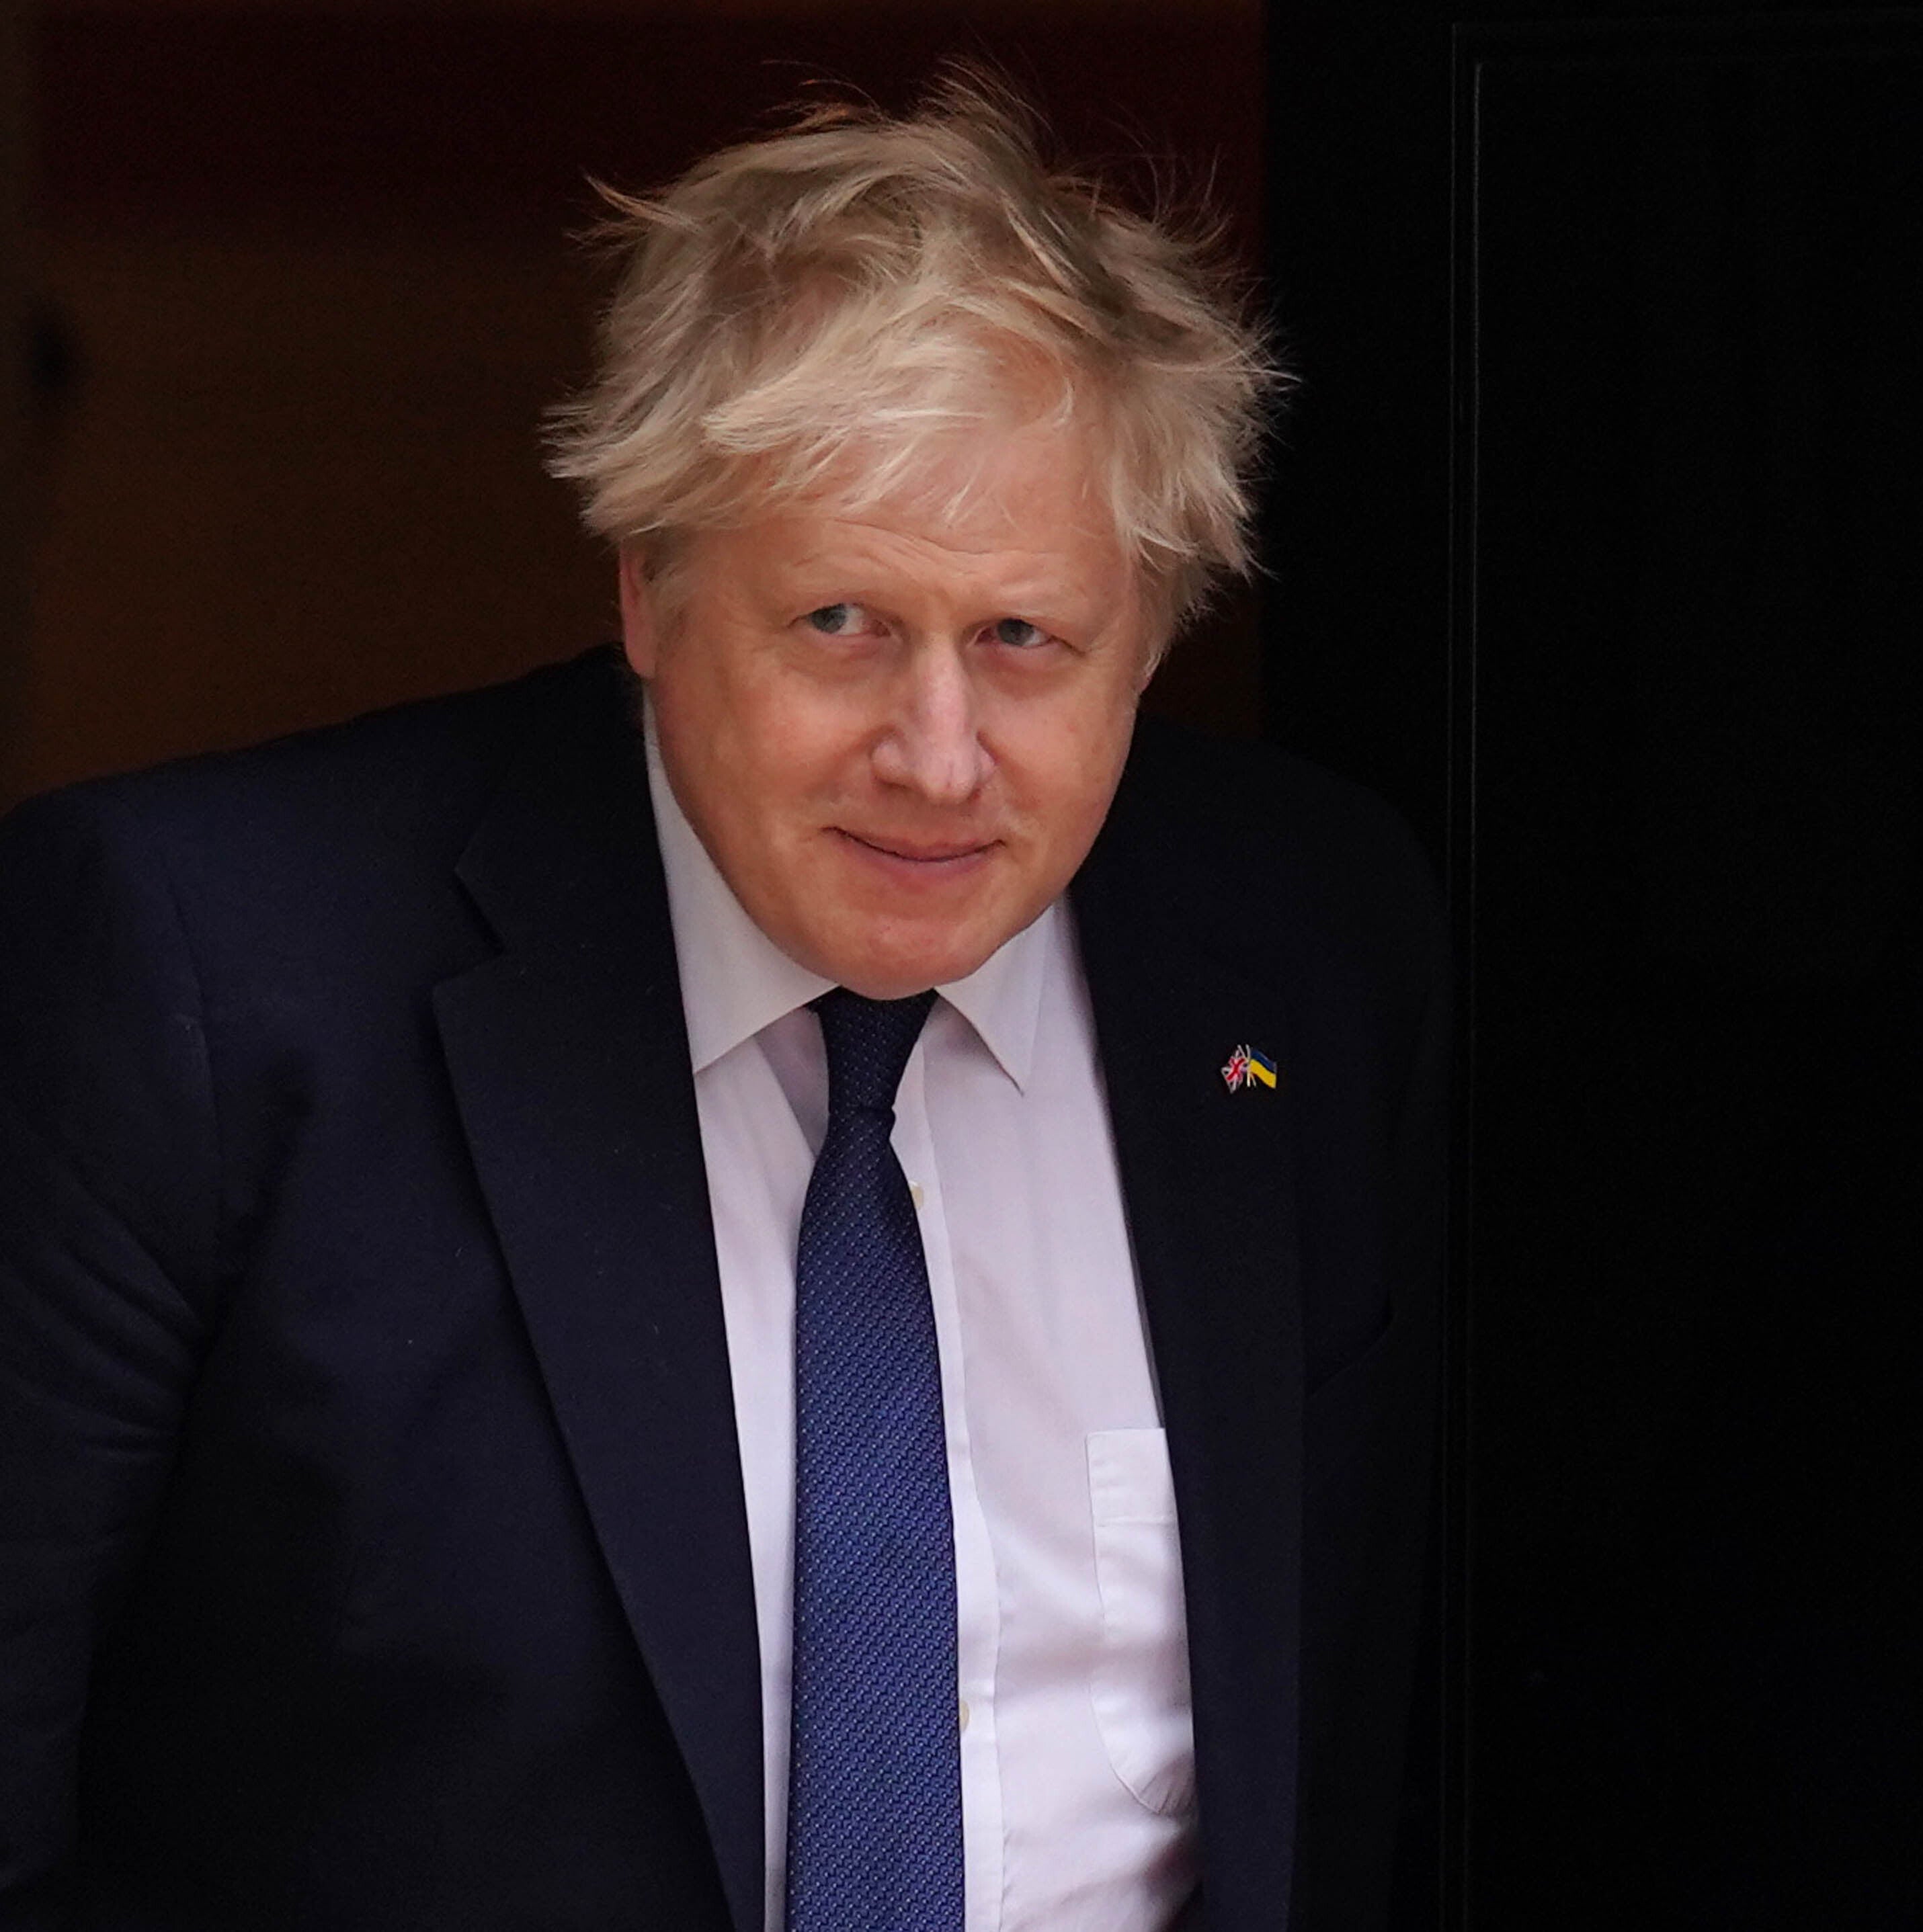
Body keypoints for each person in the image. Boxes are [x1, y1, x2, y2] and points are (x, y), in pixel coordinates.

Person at [0, 83, 1446, 1932]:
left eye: (1025, 640)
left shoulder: (1306, 956)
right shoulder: (203, 967)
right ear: (650, 592)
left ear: (1153, 632)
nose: (938, 756)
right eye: (841, 621)